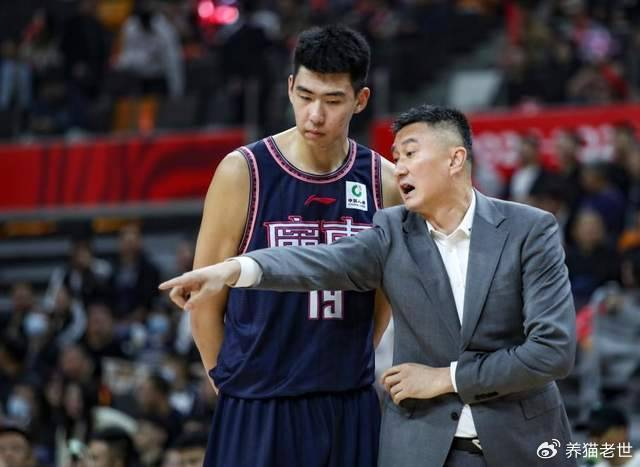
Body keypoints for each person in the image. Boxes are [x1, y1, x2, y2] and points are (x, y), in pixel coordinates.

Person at [161, 105, 577, 467]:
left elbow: (552, 351)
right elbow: (319, 261)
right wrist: (234, 269)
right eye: (396, 156)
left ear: (455, 160)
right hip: (421, 449)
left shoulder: (529, 229)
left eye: (411, 153)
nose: (400, 168)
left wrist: (447, 379)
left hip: (525, 444)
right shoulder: (391, 231)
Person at [167, 24, 401, 467]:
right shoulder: (243, 171)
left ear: (360, 100)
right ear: (290, 87)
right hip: (258, 401)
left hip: (347, 403)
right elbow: (203, 300)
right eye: (305, 96)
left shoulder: (384, 182)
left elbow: (382, 303)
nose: (315, 114)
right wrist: (231, 383)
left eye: (333, 101)